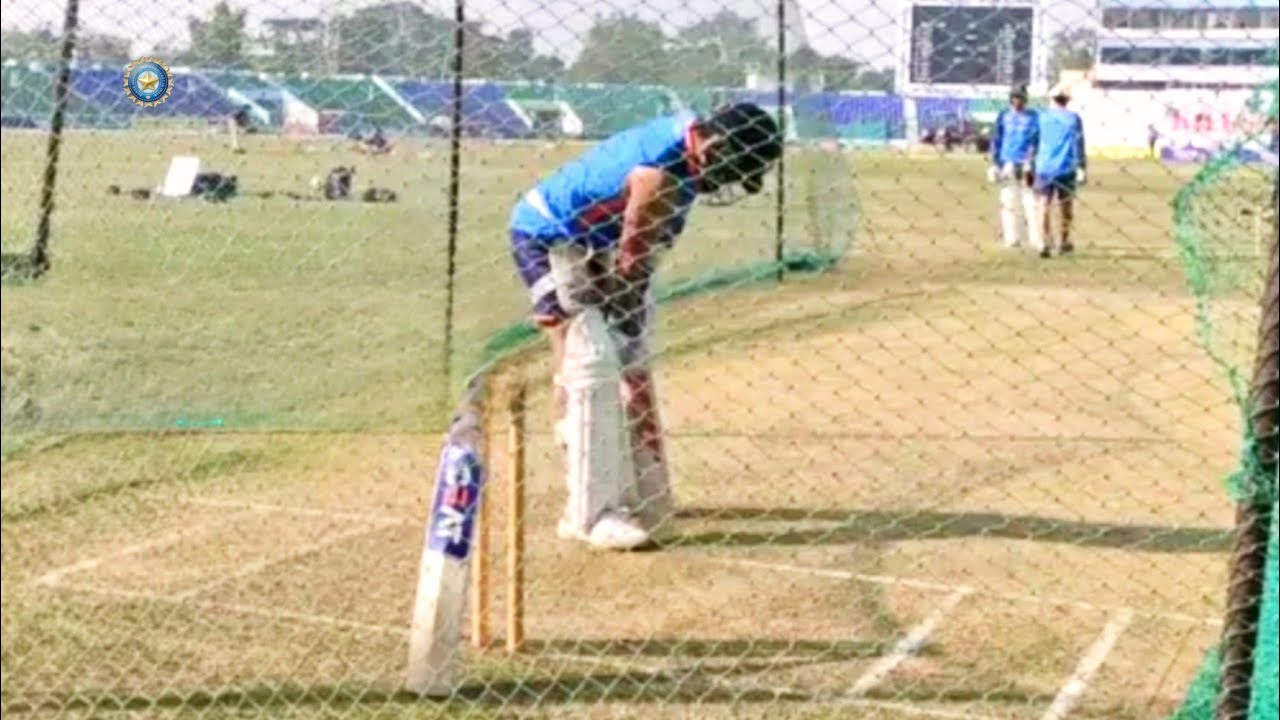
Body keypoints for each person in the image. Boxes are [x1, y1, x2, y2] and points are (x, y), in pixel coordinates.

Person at [508, 102, 782, 550]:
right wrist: (624, 295)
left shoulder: (690, 154)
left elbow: (643, 251)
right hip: (548, 233)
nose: (729, 181)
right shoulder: (660, 170)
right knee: (588, 356)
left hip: (600, 239)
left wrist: (629, 310)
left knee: (631, 353)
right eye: (734, 167)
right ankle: (587, 512)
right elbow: (635, 243)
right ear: (715, 144)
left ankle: (643, 487)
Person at [1032, 91, 1087, 258]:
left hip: (1044, 165)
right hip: (1066, 166)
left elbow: (1034, 140)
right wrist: (1082, 166)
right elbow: (1079, 143)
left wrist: (1030, 162)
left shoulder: (1041, 117)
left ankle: (1044, 242)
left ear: (1052, 99)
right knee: (1066, 206)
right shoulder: (1073, 119)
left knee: (1043, 204)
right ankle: (1063, 241)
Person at [987, 85, 1039, 249]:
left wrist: (1031, 160)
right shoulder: (1004, 116)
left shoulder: (1033, 117)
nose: (1017, 101)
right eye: (1014, 97)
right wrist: (995, 163)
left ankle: (1036, 238)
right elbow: (997, 139)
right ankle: (1012, 238)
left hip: (1026, 163)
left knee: (1031, 202)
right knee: (1008, 201)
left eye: (1020, 98)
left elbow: (1036, 139)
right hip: (1007, 162)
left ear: (1025, 99)